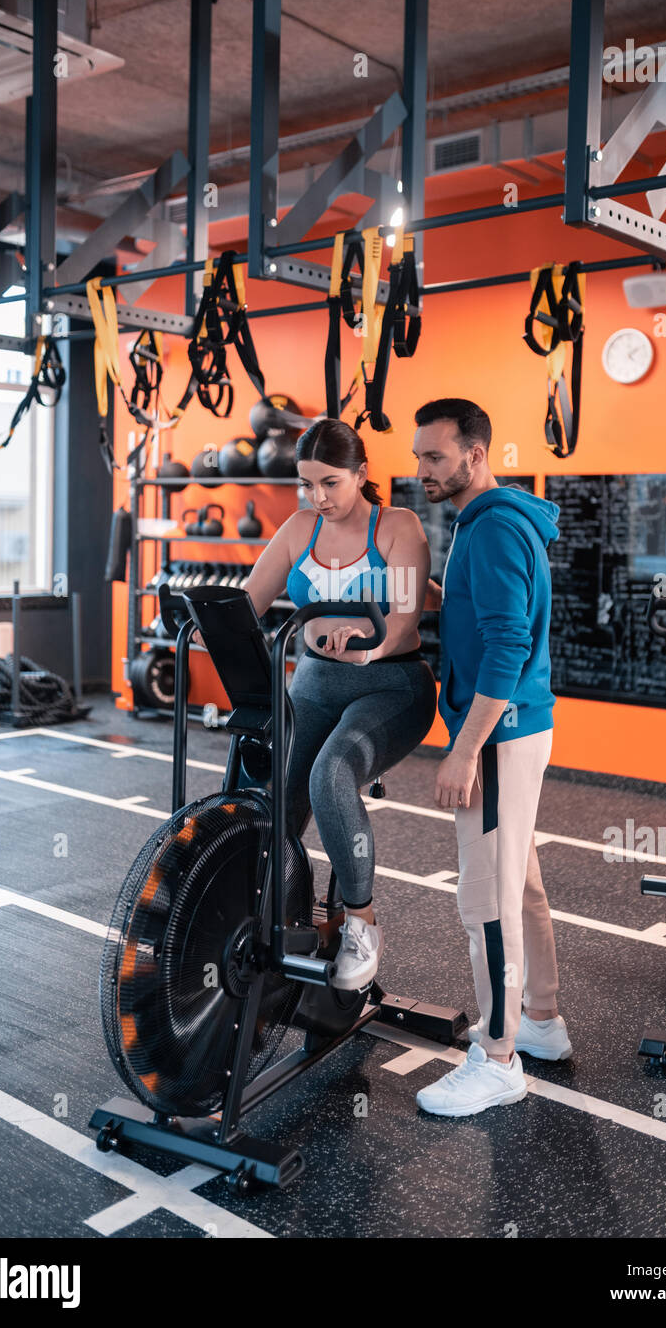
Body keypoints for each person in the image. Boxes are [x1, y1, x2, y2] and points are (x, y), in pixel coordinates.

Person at [411, 397, 572, 1117]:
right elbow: (495, 620)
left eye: (435, 457)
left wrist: (463, 751)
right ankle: (540, 1021)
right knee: (522, 884)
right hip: (515, 730)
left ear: (476, 456)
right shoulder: (489, 525)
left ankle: (500, 1056)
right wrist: (440, 599)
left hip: (499, 737)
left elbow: (509, 644)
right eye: (419, 456)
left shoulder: (496, 531)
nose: (422, 470)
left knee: (489, 905)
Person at [240, 416, 436, 989]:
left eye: (330, 483)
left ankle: (361, 924)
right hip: (316, 685)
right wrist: (204, 621)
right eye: (307, 484)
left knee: (331, 774)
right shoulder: (299, 529)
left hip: (392, 686)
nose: (317, 497)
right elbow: (252, 599)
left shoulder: (398, 526)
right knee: (276, 802)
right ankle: (261, 914)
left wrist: (370, 647)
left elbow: (402, 622)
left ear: (361, 474)